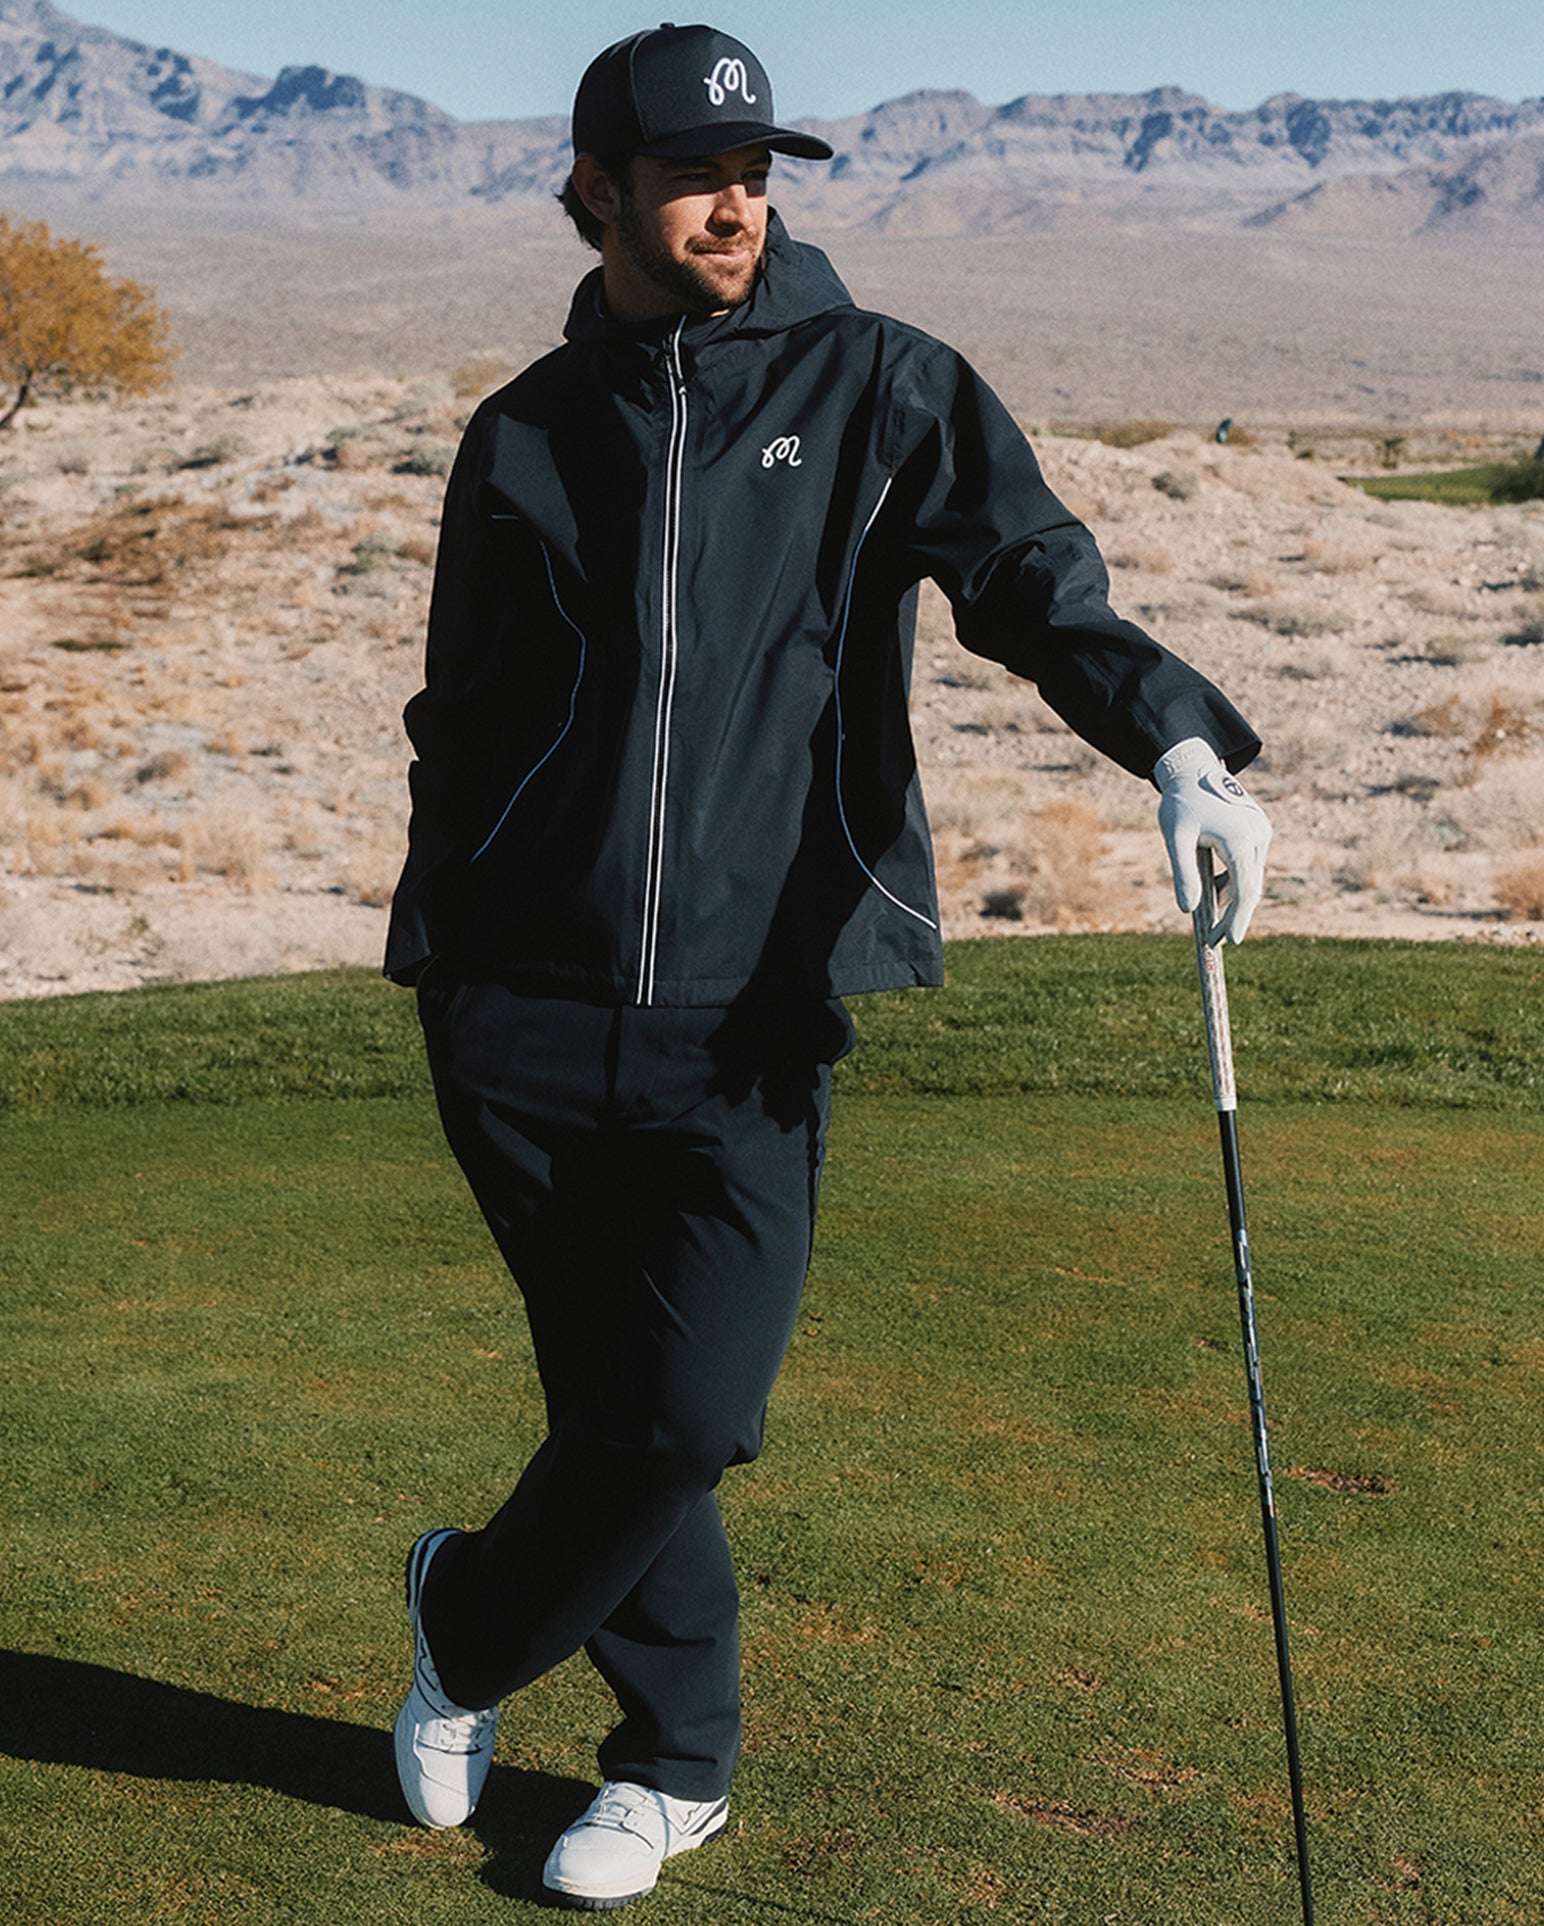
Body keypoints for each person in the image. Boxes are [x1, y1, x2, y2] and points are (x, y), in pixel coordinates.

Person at [384, 22, 1271, 1912]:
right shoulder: (523, 430)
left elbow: (1036, 581)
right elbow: (463, 723)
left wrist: (1182, 747)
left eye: (756, 173)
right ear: (596, 190)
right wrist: (441, 960)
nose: (736, 206)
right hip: (522, 1008)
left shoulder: (880, 384)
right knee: (616, 1419)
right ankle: (672, 1767)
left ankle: (466, 1619)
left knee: (689, 1412)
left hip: (752, 1016)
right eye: (694, 176)